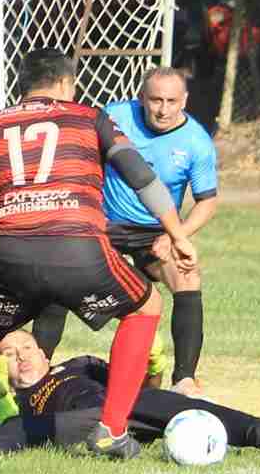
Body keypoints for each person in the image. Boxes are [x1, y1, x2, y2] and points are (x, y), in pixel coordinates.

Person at [0, 48, 198, 460]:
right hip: (77, 246)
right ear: (66, 83)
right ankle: (112, 429)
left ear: (22, 84)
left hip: (10, 253)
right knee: (146, 306)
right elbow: (142, 178)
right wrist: (177, 234)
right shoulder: (90, 118)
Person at [32, 67, 219, 395]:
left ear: (185, 100)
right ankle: (37, 369)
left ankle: (185, 379)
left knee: (188, 276)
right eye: (155, 100)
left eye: (172, 101)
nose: (163, 109)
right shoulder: (114, 117)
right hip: (102, 224)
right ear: (141, 98)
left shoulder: (197, 142)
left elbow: (207, 202)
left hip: (156, 232)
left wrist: (175, 235)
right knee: (58, 278)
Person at [0, 331, 260, 459]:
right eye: (9, 353)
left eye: (26, 347)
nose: (21, 355)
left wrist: (151, 365)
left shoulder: (81, 364)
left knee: (175, 406)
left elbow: (140, 389)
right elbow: (13, 425)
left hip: (119, 413)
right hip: (70, 424)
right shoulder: (22, 402)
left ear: (43, 353)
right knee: (24, 429)